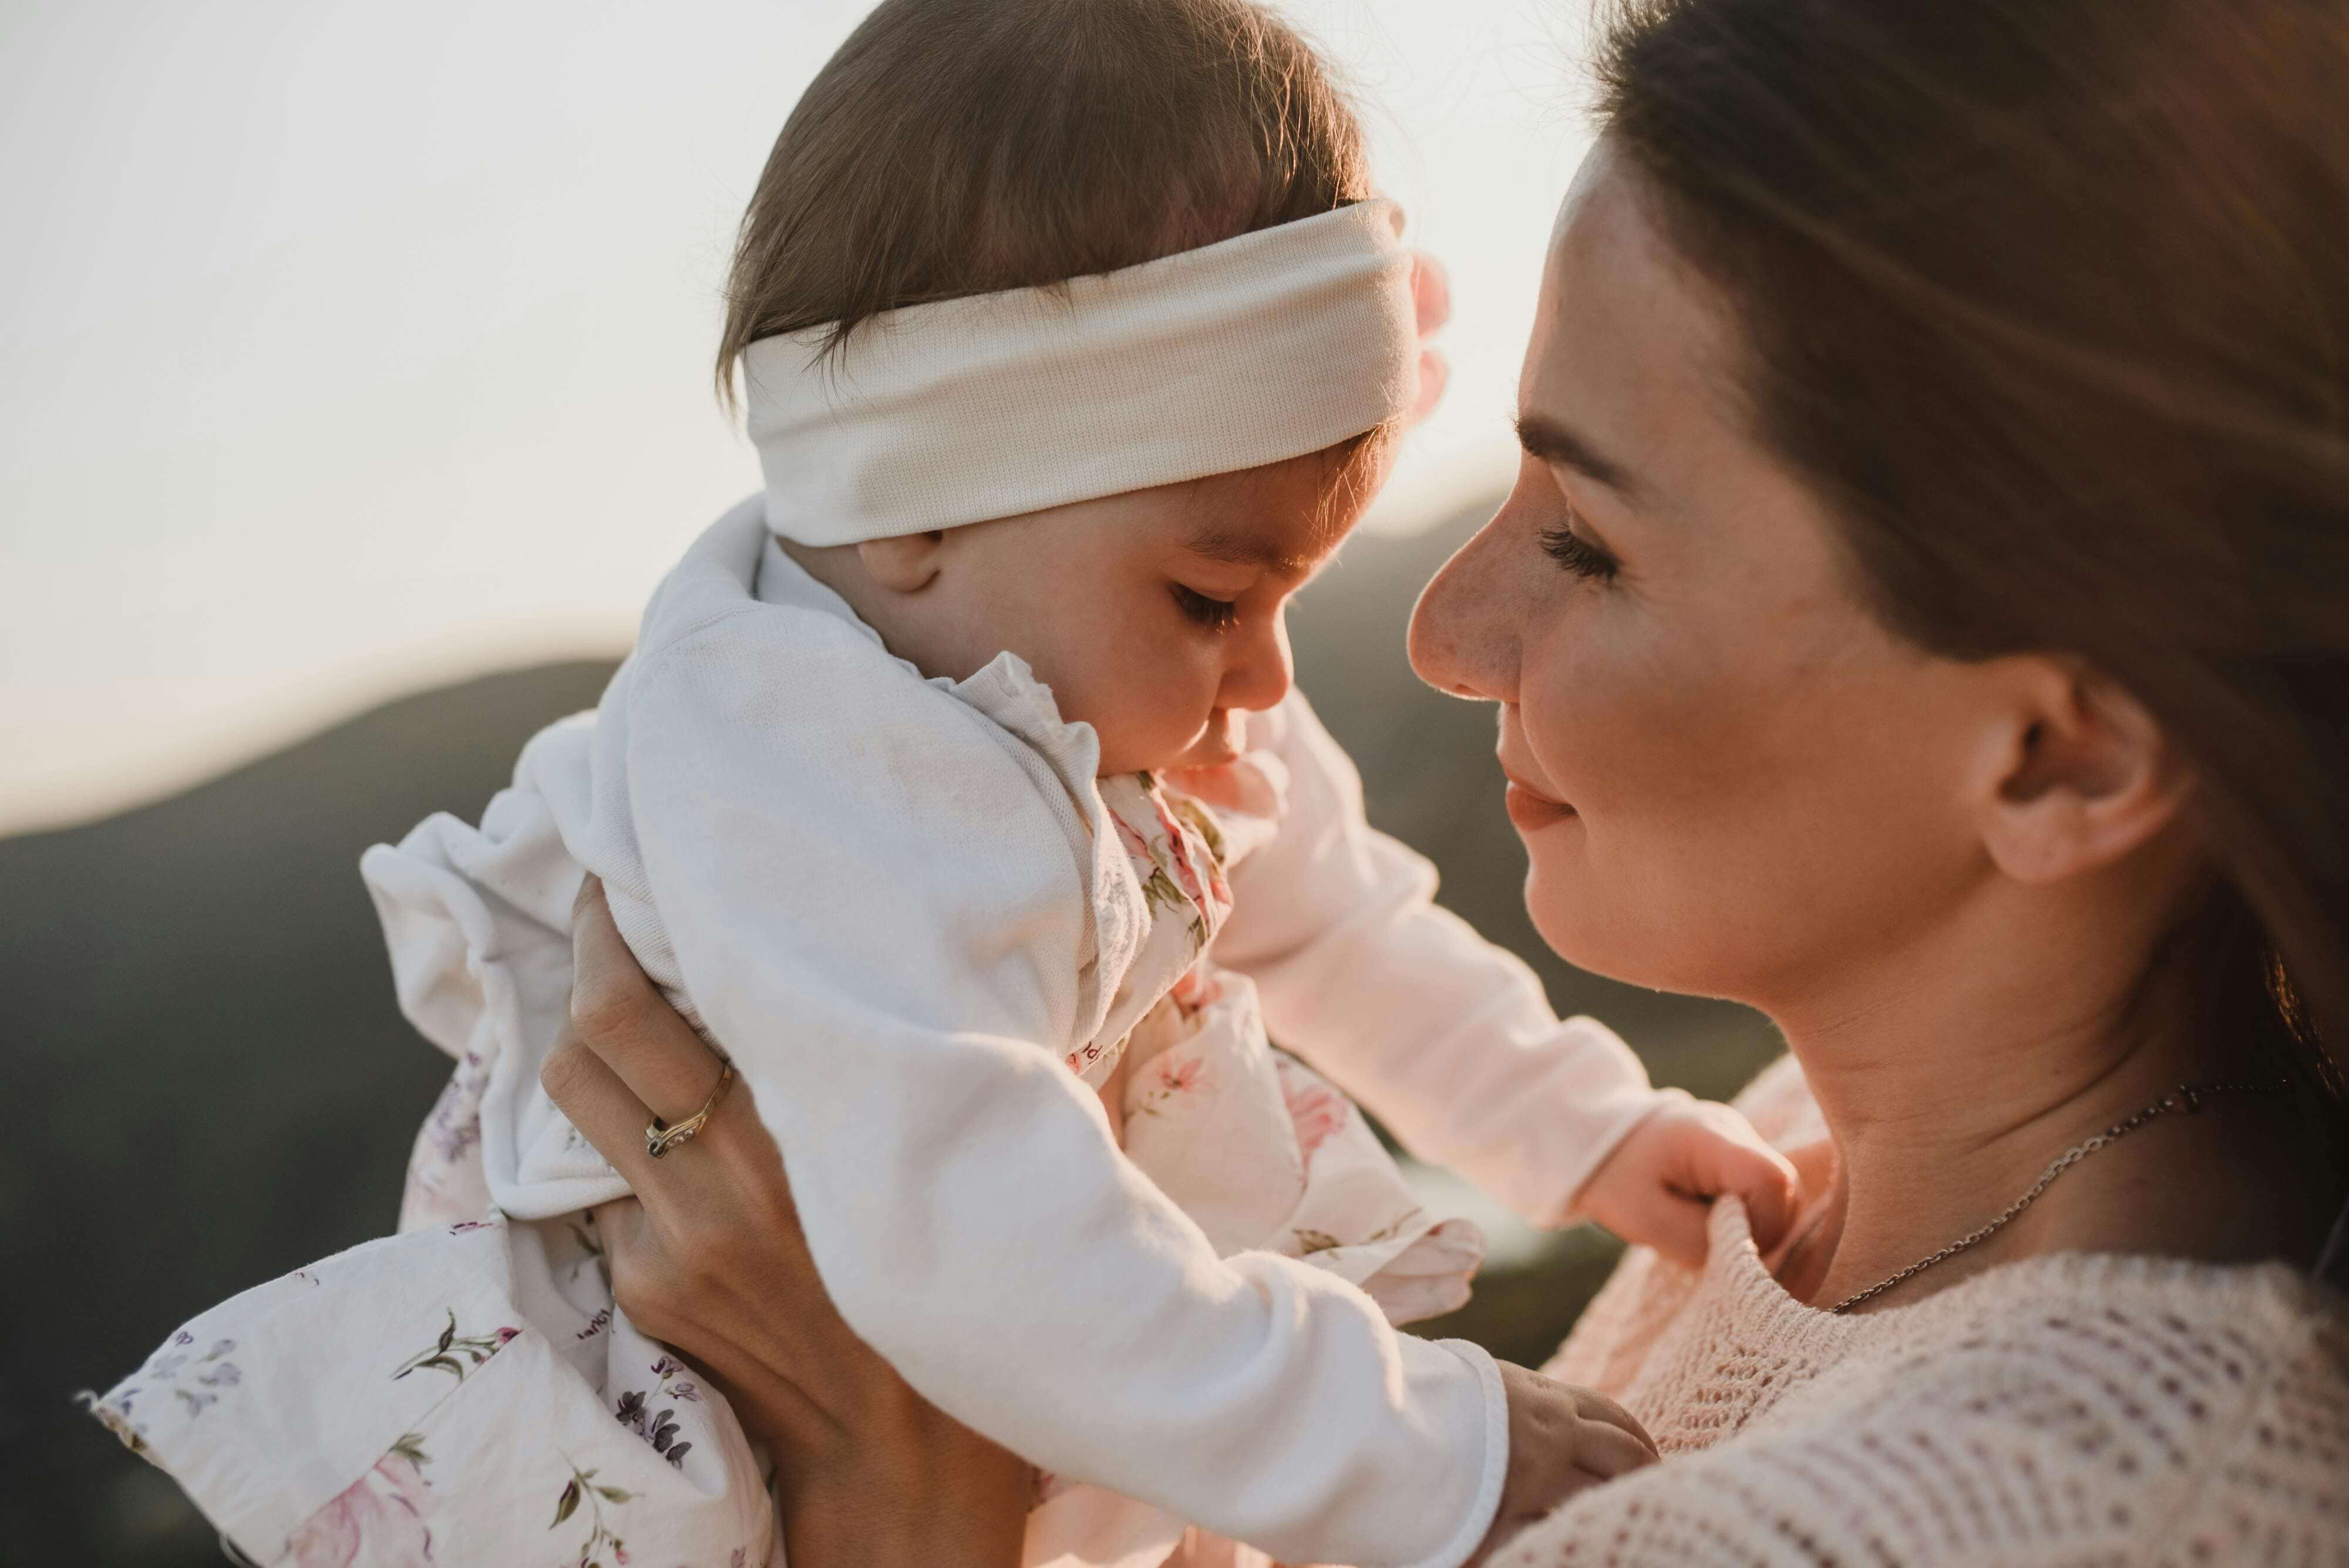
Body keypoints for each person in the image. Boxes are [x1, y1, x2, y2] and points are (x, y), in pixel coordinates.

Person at [531, 0, 2349, 1562]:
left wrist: (889, 1492)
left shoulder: (2043, 1502)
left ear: (2059, 751)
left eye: (1590, 543)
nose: (1442, 632)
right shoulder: (1841, 1169)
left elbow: (1338, 919)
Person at [87, 4, 1802, 1566]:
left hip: (1006, 1396)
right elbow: (979, 1246)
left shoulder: (1101, 676)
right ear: (907, 507)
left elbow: (1342, 920)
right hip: (702, 1459)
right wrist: (1422, 1449)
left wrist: (1582, 1127)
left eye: (1289, 591)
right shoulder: (800, 771)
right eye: (1214, 598)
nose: (1269, 679)